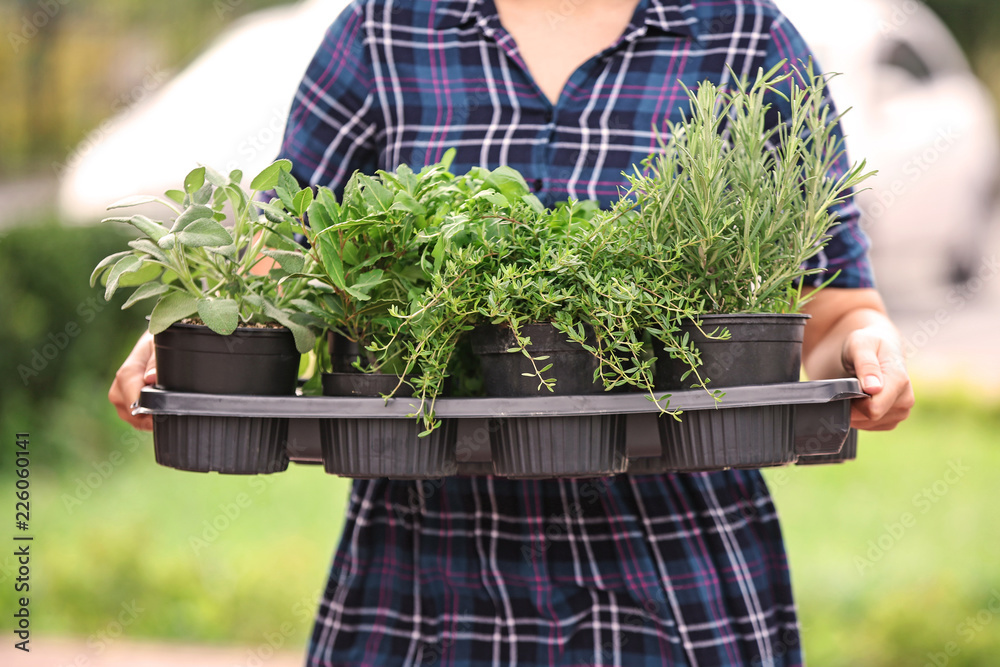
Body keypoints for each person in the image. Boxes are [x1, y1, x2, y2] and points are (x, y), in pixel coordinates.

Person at [109, 0, 915, 664]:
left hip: (677, 577)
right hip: (422, 579)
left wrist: (863, 346)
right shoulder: (388, 31)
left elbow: (831, 305)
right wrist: (189, 336)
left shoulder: (742, 34)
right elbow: (280, 260)